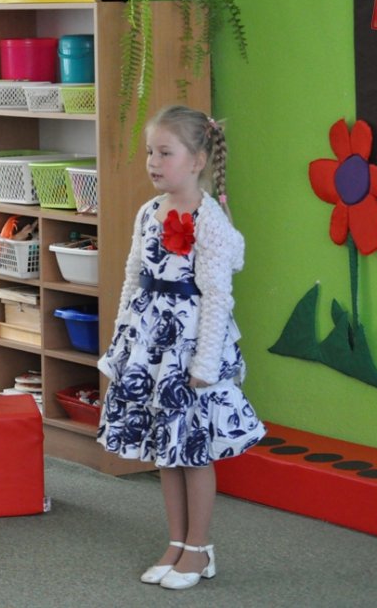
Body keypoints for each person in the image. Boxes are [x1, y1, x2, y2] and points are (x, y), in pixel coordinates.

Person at [97, 106, 265, 590]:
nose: (153, 161)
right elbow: (133, 278)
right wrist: (121, 341)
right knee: (166, 450)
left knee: (193, 449)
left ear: (197, 160)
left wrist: (204, 364)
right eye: (150, 152)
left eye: (165, 153)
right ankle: (176, 541)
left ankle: (199, 547)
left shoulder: (208, 221)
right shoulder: (147, 212)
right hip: (152, 347)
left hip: (190, 351)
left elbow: (217, 298)